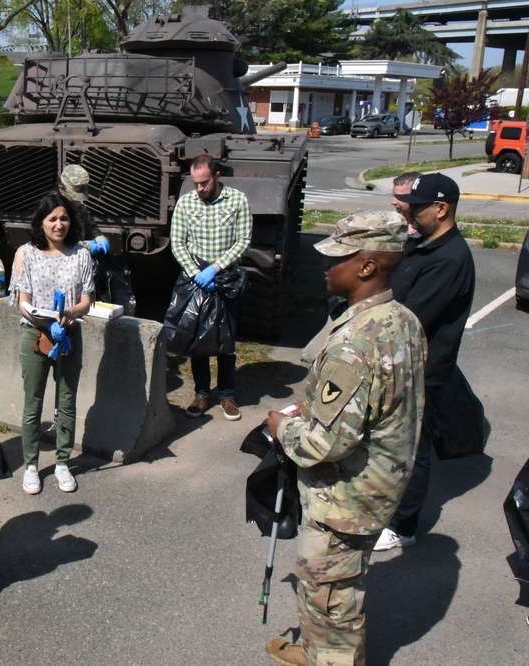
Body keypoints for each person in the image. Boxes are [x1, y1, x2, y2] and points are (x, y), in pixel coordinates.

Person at [264, 211, 426, 666]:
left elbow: (326, 444)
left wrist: (283, 427)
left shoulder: (355, 342)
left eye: (338, 257)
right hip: (379, 483)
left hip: (346, 495)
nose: (325, 266)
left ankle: (329, 658)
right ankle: (317, 650)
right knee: (334, 585)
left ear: (367, 266)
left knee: (331, 593)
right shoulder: (401, 319)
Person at [374, 172, 476, 552]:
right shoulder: (427, 246)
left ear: (442, 208)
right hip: (402, 367)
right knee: (395, 445)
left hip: (421, 372)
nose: (411, 214)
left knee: (413, 451)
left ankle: (404, 525)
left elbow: (410, 316)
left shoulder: (450, 259)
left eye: (418, 208)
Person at [11, 191, 94, 495]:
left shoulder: (81, 255)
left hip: (69, 335)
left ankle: (62, 463)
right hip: (35, 336)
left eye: (64, 218)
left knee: (67, 401)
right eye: (52, 219)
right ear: (41, 222)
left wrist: (71, 312)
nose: (59, 225)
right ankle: (31, 466)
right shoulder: (26, 253)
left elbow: (86, 300)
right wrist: (41, 319)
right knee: (33, 403)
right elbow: (22, 301)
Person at [170, 153, 251, 421]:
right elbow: (177, 243)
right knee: (198, 338)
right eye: (195, 183)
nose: (199, 188)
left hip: (225, 276)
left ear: (217, 176)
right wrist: (196, 273)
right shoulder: (186, 203)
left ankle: (227, 395)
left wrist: (215, 268)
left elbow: (243, 240)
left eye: (204, 182)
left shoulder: (237, 200)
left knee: (226, 338)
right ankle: (202, 393)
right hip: (196, 277)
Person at [58, 165, 110, 256]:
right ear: (62, 188)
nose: (76, 199)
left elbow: (89, 225)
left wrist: (98, 237)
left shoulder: (76, 205)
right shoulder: (51, 209)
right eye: (73, 195)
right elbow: (55, 243)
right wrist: (86, 245)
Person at [390, 171, 421, 237]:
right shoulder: (391, 226)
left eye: (400, 197)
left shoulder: (428, 231)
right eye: (394, 196)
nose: (393, 202)